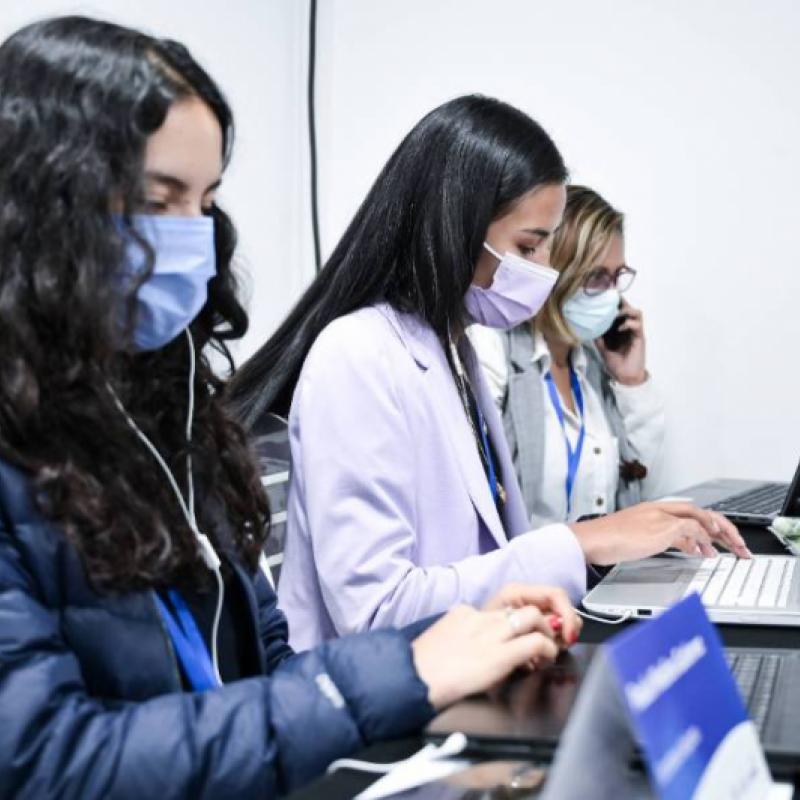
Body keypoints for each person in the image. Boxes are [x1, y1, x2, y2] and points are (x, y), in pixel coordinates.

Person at [0, 18, 583, 799]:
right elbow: (46, 763)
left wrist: (453, 642)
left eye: (204, 202)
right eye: (155, 199)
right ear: (39, 201)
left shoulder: (158, 406)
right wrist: (401, 669)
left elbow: (266, 661)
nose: (194, 241)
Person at [227, 95, 750, 651]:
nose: (545, 273)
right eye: (530, 246)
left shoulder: (455, 351)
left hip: (472, 663)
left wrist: (615, 541)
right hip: (389, 701)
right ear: (456, 228)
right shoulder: (356, 355)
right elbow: (377, 612)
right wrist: (579, 544)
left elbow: (492, 556)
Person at [469, 186, 664, 525]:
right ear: (556, 272)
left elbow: (640, 489)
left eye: (617, 276)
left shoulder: (593, 365)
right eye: (595, 278)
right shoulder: (494, 348)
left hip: (598, 573)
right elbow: (476, 501)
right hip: (525, 575)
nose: (611, 295)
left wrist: (631, 381)